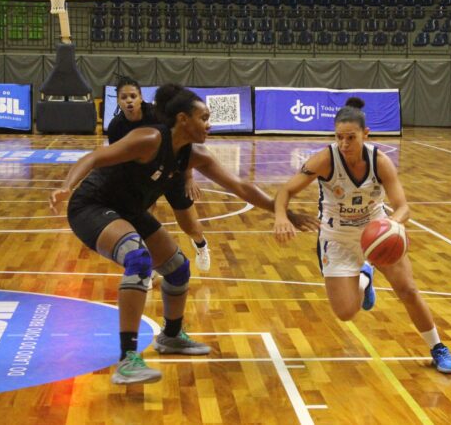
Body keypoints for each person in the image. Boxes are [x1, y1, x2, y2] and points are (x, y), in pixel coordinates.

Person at [49, 84, 316, 385]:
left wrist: (284, 211)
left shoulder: (194, 156)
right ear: (183, 119)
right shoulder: (150, 138)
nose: (209, 124)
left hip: (130, 210)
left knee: (177, 268)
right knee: (138, 260)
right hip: (93, 206)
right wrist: (66, 186)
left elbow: (241, 187)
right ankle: (127, 359)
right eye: (203, 117)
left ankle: (172, 336)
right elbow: (96, 156)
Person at [273, 97, 451, 374]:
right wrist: (280, 217)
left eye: (351, 137)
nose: (345, 144)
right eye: (339, 137)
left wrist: (390, 226)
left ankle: (438, 347)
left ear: (366, 134)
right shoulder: (325, 159)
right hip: (336, 238)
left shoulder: (380, 161)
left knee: (407, 289)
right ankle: (364, 277)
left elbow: (403, 207)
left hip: (375, 230)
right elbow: (285, 191)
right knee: (346, 313)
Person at [107, 77, 210, 272]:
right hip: (144, 179)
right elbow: (117, 159)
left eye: (133, 96)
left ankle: (201, 245)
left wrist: (188, 178)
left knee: (190, 226)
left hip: (172, 173)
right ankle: (147, 269)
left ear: (140, 98)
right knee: (142, 225)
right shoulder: (116, 127)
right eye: (124, 97)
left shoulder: (156, 116)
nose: (129, 101)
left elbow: (183, 144)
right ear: (118, 101)